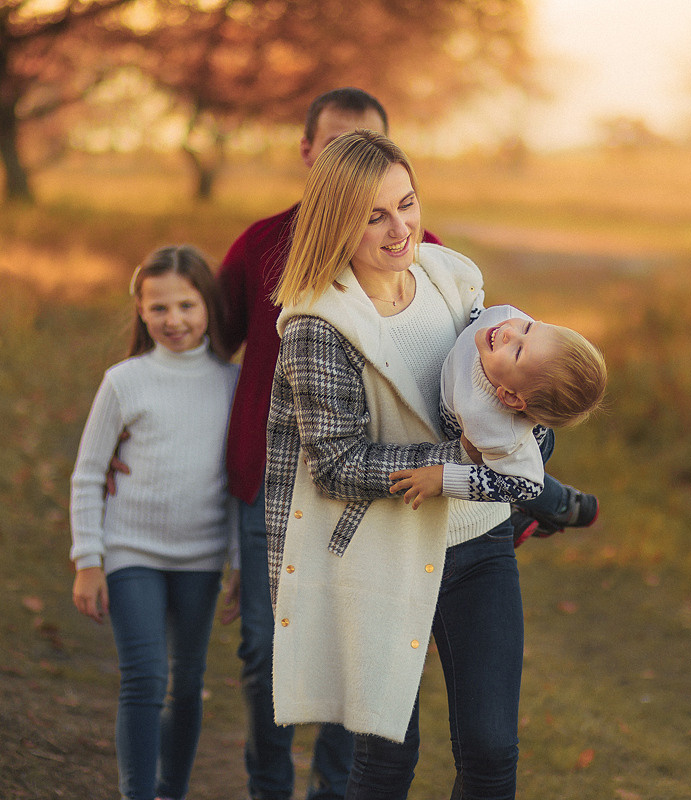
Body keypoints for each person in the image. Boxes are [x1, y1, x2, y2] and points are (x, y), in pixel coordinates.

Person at [266, 129, 522, 800]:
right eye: (374, 215)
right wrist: (464, 461)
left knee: (492, 753)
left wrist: (531, 432)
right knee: (385, 760)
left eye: (406, 204)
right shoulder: (316, 323)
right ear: (336, 223)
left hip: (478, 541)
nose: (399, 227)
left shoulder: (452, 276)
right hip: (380, 551)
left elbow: (496, 392)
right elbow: (338, 462)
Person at [216, 87, 442, 800]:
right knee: (265, 648)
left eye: (366, 147)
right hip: (272, 478)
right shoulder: (261, 245)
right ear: (308, 152)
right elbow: (212, 343)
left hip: (371, 490)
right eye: (334, 146)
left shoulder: (425, 258)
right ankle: (268, 785)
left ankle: (333, 793)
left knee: (353, 657)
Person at [69, 245, 241, 800]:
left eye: (187, 306)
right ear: (140, 311)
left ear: (208, 306)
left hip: (200, 557)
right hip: (130, 551)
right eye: (159, 308)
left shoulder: (231, 384)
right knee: (146, 678)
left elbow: (241, 484)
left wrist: (238, 560)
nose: (175, 320)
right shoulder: (125, 381)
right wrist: (88, 561)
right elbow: (88, 474)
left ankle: (172, 791)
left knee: (187, 684)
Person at [389, 303, 606, 545]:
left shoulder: (487, 420)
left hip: (524, 449)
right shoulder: (506, 319)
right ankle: (521, 516)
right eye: (529, 327)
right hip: (513, 435)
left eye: (518, 352)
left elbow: (526, 483)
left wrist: (442, 479)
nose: (509, 332)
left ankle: (562, 505)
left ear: (510, 397)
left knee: (508, 476)